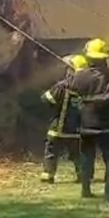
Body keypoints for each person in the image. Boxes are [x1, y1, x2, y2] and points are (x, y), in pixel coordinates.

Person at [69, 38, 109, 201]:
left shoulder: (80, 76)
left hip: (87, 125)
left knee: (87, 157)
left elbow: (71, 87)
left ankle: (85, 190)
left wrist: (76, 73)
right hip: (107, 125)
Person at [39, 54, 89, 184]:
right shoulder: (87, 87)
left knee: (51, 151)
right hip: (78, 129)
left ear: (71, 69)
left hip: (59, 127)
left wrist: (45, 93)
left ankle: (48, 175)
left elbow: (47, 100)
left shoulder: (63, 85)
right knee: (78, 154)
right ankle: (83, 174)